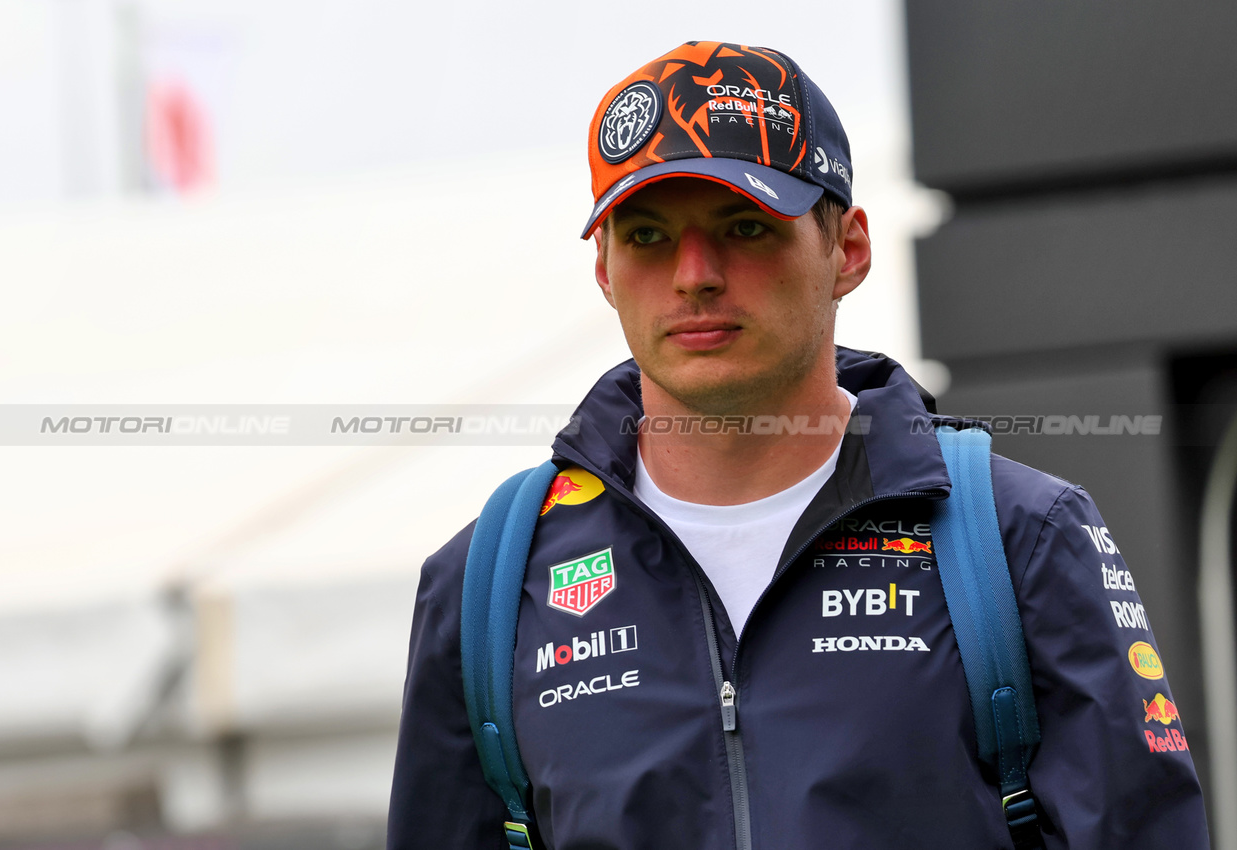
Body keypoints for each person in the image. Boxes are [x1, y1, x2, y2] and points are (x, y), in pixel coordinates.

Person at [386, 41, 1209, 849]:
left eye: (745, 225)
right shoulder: (487, 581)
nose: (694, 274)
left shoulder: (1019, 536)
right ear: (602, 271)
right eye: (645, 236)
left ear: (846, 249)